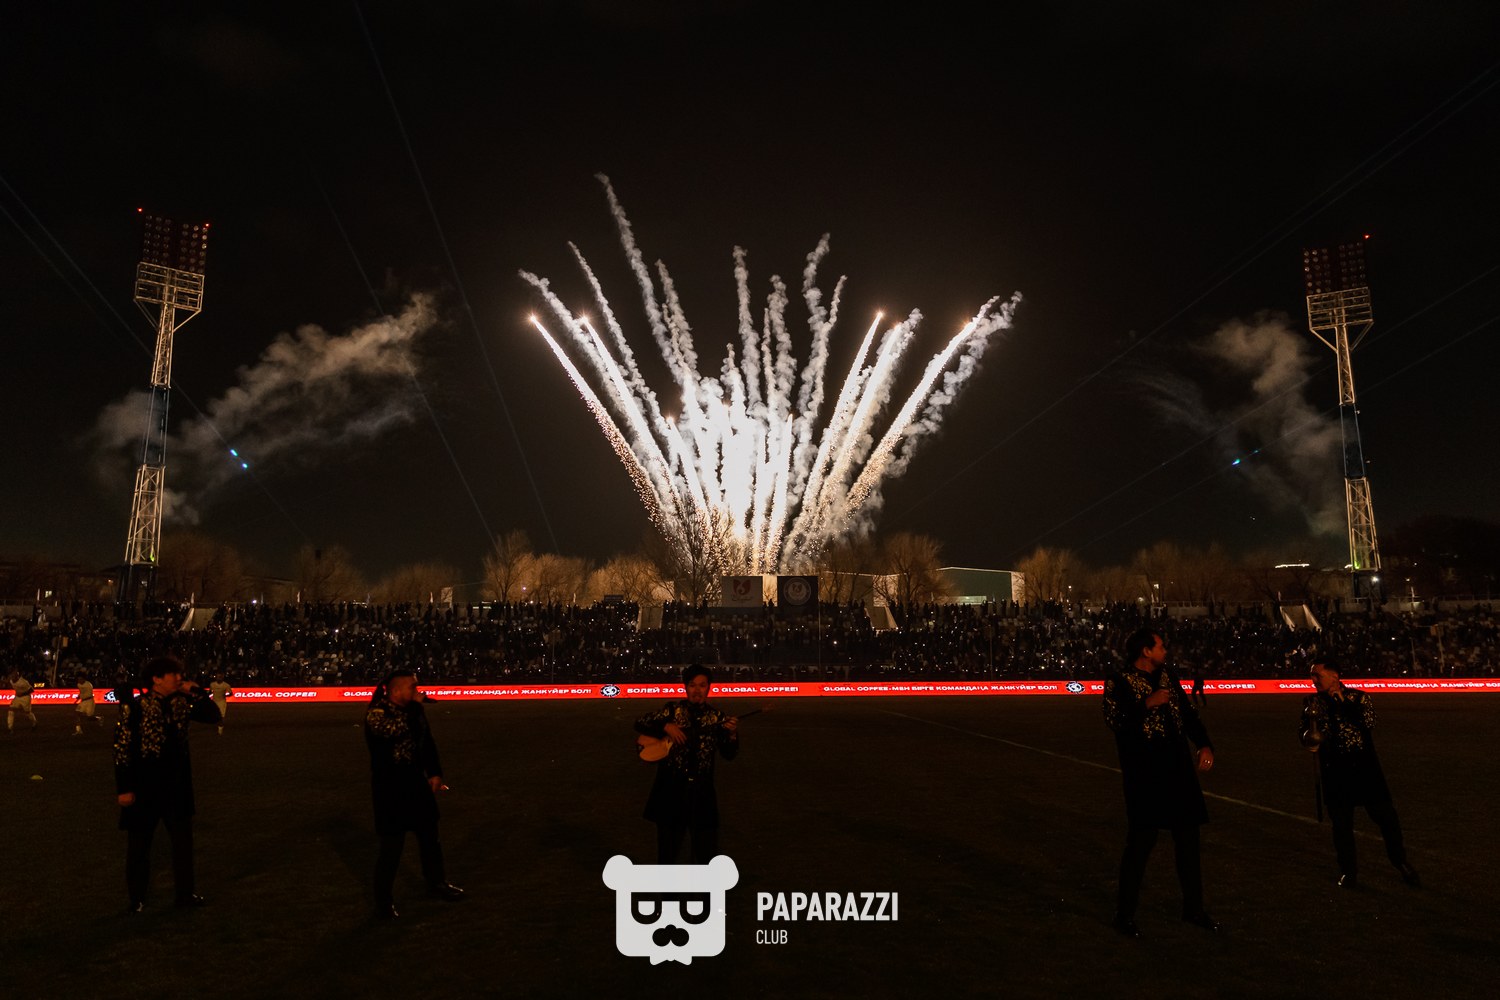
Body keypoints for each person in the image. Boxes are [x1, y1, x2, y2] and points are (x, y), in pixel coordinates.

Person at [1102, 629, 1219, 936]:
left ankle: (1194, 910)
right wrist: (1147, 704)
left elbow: (1188, 714)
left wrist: (1204, 744)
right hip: (1145, 774)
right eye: (1160, 646)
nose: (1165, 650)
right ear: (1146, 651)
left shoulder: (1167, 676)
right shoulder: (1118, 682)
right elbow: (1115, 721)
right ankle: (1124, 915)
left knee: (1189, 842)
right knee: (1140, 844)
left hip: (1178, 770)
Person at [1300, 655, 1419, 888]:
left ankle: (1400, 862)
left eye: (1317, 675)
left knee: (1387, 819)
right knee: (1341, 826)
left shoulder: (1359, 698)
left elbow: (1368, 722)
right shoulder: (1311, 702)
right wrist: (1308, 739)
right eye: (1312, 675)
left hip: (1365, 769)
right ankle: (1348, 872)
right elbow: (1304, 729)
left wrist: (1340, 702)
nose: (1313, 680)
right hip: (1334, 771)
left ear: (1335, 676)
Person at [114, 656, 222, 912]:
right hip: (143, 789)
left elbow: (213, 716)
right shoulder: (136, 708)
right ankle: (137, 900)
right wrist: (124, 788)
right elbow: (121, 749)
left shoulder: (182, 704)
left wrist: (197, 692)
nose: (179, 678)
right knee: (139, 848)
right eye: (174, 674)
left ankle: (185, 895)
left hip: (176, 787)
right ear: (156, 679)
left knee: (183, 846)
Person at [364, 670, 464, 918]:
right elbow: (395, 731)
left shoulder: (413, 711)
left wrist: (435, 772)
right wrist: (416, 708)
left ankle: (436, 883)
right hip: (390, 789)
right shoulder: (377, 713)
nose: (418, 691)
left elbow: (426, 741)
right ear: (396, 691)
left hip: (415, 783)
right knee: (391, 847)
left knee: (430, 837)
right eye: (412, 687)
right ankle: (384, 903)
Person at [633, 663, 740, 864]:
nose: (697, 690)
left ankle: (703, 885)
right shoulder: (673, 710)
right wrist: (666, 726)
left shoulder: (717, 717)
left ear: (709, 688)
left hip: (702, 792)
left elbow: (729, 754)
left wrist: (732, 734)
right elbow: (640, 722)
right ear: (685, 687)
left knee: (706, 853)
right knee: (668, 853)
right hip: (671, 791)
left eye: (702, 685)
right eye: (692, 685)